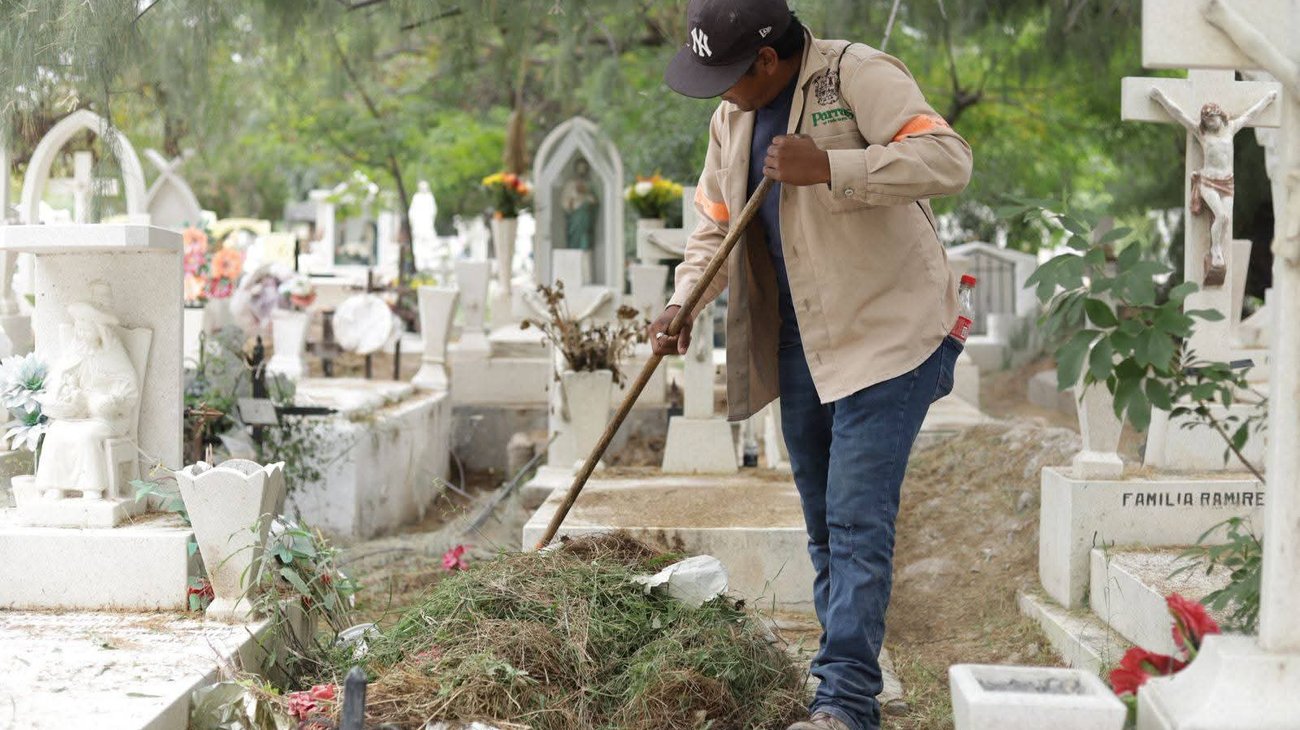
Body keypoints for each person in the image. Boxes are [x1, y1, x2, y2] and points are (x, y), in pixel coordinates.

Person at [652, 2, 973, 729]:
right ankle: (844, 679)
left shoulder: (855, 75)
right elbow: (714, 222)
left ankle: (844, 702)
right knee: (826, 525)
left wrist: (833, 165)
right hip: (803, 342)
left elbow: (950, 159)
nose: (718, 93)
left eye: (726, 77)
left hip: (892, 336)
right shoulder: (732, 120)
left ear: (767, 63)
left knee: (858, 522)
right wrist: (685, 303)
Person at [35, 292, 141, 499]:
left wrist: (110, 400)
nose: (81, 334)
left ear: (99, 330)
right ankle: (55, 486)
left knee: (87, 436)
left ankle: (91, 487)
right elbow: (61, 377)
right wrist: (66, 391)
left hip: (109, 416)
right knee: (56, 432)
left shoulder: (113, 353)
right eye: (79, 329)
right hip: (79, 414)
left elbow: (128, 387)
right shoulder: (77, 351)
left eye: (86, 329)